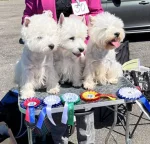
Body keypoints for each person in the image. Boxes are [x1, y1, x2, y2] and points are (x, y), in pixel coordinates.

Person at [21, 0, 104, 143]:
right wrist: (33, 32)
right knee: (56, 106)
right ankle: (60, 140)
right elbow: (28, 15)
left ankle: (87, 141)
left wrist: (85, 41)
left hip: (79, 48)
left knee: (84, 107)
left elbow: (96, 12)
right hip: (51, 50)